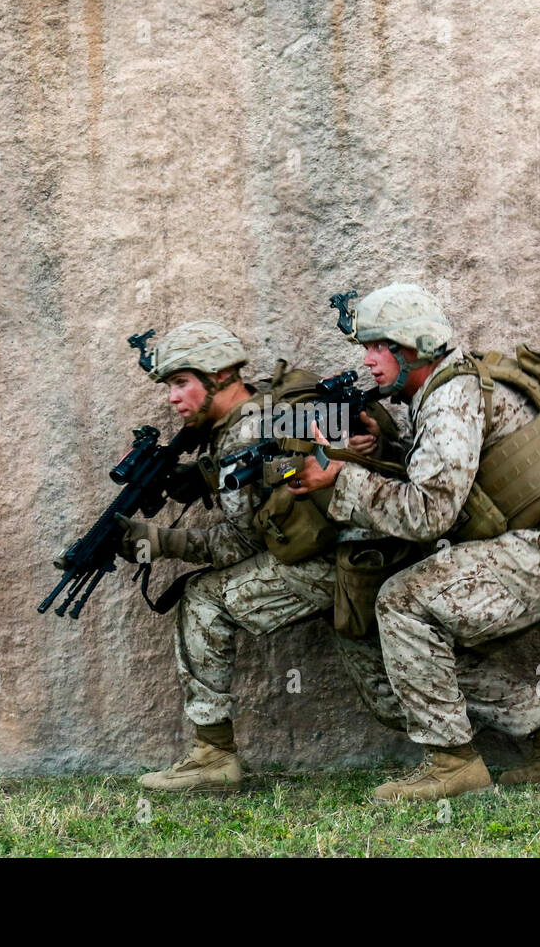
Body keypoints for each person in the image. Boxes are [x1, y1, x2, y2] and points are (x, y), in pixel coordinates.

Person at [291, 283, 540, 802]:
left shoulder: (450, 398)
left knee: (403, 602)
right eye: (367, 349)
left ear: (414, 348)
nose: (370, 362)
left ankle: (452, 764)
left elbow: (430, 512)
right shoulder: (439, 390)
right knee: (411, 643)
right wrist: (379, 448)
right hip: (536, 544)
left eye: (380, 347)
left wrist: (339, 479)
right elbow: (439, 480)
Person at [118, 320, 380, 793]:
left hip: (331, 564)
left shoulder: (242, 438)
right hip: (364, 552)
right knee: (390, 689)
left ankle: (213, 758)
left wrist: (158, 541)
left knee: (203, 598)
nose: (173, 398)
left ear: (218, 377)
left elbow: (242, 545)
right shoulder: (267, 407)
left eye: (181, 383)